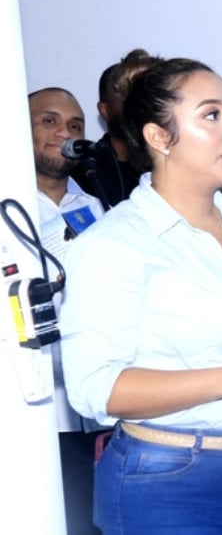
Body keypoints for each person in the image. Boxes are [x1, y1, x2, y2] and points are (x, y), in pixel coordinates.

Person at [60, 57, 222, 535]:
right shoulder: (116, 244)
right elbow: (94, 389)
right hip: (168, 481)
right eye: (211, 115)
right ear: (159, 137)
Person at [29, 86, 105, 535]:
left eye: (75, 126)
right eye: (49, 121)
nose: (65, 132)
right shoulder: (8, 205)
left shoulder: (97, 207)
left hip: (96, 411)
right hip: (36, 413)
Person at [72, 48, 162, 210]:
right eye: (128, 98)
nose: (140, 107)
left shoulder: (166, 163)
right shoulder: (87, 170)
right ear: (104, 111)